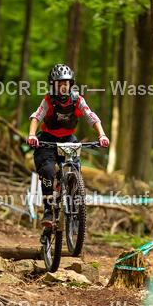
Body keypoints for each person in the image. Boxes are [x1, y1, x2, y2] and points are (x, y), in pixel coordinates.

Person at [27, 64, 109, 226]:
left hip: (68, 139)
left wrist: (102, 134)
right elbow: (36, 117)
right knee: (48, 170)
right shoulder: (48, 101)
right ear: (53, 85)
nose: (63, 87)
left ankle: (74, 209)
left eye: (66, 84)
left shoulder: (78, 100)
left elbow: (91, 116)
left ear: (71, 84)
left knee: (75, 169)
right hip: (48, 140)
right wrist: (31, 135)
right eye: (60, 84)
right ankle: (48, 210)